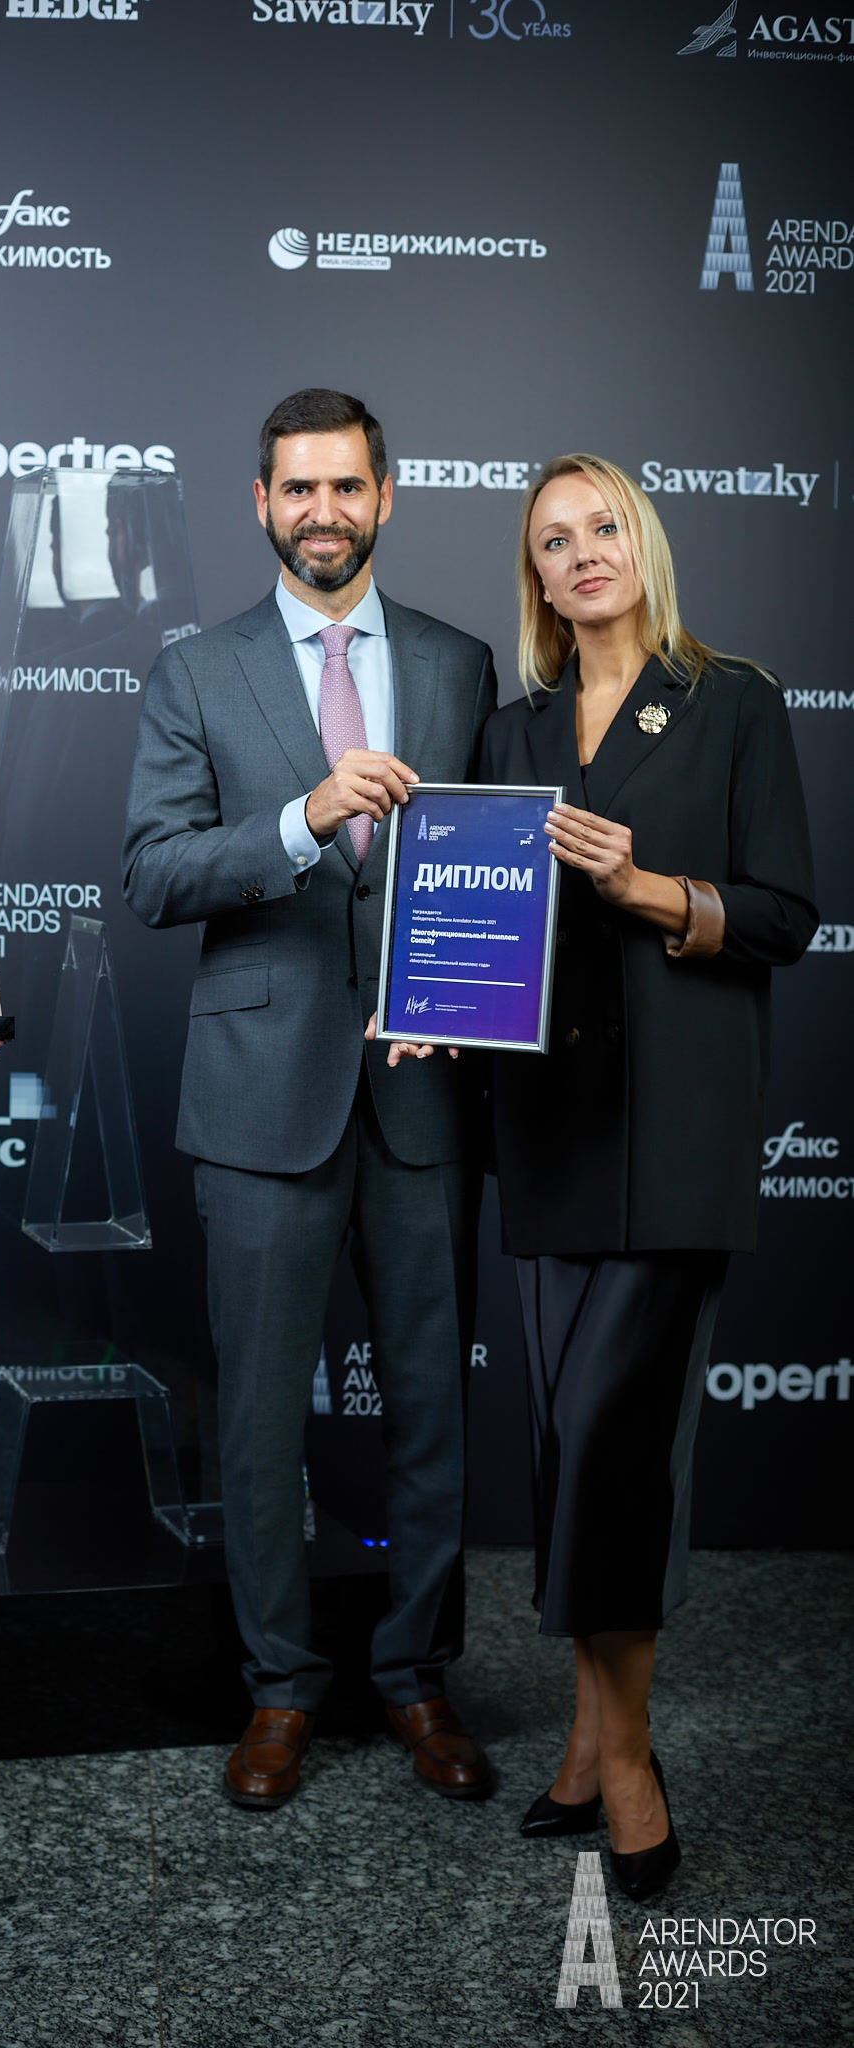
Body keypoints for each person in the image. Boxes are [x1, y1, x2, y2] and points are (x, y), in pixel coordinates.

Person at [431, 453, 815, 1898]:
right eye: (553, 539)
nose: (582, 552)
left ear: (641, 545)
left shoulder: (734, 703)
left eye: (603, 527)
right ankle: (591, 1741)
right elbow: (486, 920)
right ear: (533, 577)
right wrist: (439, 1005)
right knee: (565, 1442)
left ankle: (631, 1755)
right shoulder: (512, 728)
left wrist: (642, 886)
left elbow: (783, 913)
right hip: (550, 1125)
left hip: (678, 1129)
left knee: (613, 1439)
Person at [123, 390, 497, 1810]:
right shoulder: (195, 671)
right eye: (297, 489)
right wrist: (302, 817)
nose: (322, 512)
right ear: (261, 503)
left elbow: (496, 872)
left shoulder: (459, 664)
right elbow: (153, 874)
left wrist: (465, 1001)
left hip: (423, 1094)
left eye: (346, 487)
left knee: (430, 1412)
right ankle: (279, 1686)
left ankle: (415, 1678)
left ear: (385, 497)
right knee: (260, 1420)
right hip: (260, 1098)